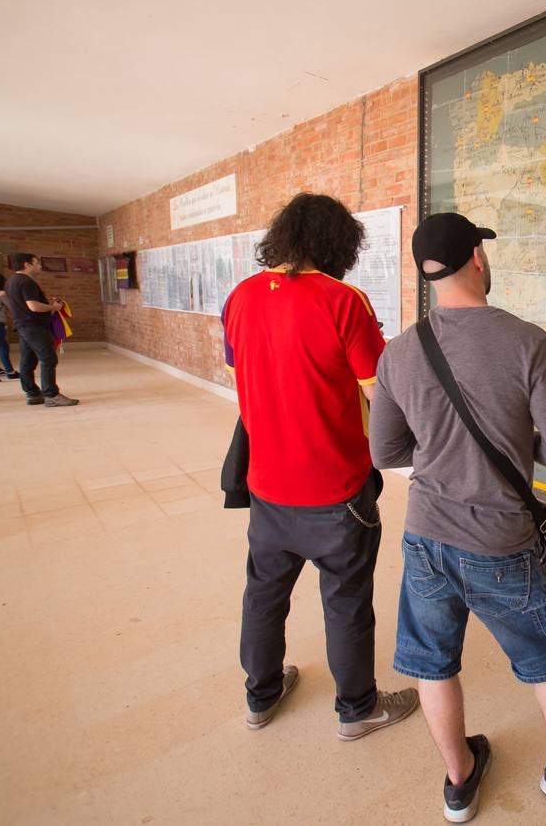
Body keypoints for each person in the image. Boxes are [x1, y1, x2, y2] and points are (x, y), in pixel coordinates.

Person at [370, 211, 546, 823]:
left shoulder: (398, 352)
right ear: (477, 258)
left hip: (425, 534)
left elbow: (385, 452)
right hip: (502, 540)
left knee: (432, 660)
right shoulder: (526, 341)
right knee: (545, 654)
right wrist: (515, 444)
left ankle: (459, 778)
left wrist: (441, 448)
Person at [220, 193, 418, 739]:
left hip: (266, 485)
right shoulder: (344, 301)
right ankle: (357, 710)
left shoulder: (240, 296)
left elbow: (246, 366)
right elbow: (383, 395)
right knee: (347, 600)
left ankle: (260, 697)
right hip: (337, 490)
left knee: (263, 594)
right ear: (339, 243)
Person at [5, 253, 78, 407]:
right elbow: (33, 306)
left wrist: (45, 302)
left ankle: (32, 393)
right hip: (34, 326)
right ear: (27, 264)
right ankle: (51, 395)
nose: (39, 266)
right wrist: (53, 307)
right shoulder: (26, 282)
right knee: (48, 358)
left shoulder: (11, 281)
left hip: (23, 325)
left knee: (28, 360)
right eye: (37, 263)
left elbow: (25, 304)